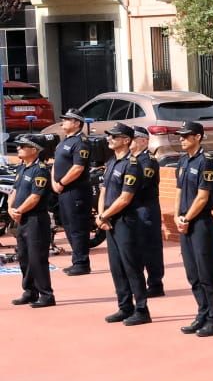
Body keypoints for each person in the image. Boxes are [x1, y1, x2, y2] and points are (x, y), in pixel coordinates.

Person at [97, 123, 153, 327]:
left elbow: (125, 198)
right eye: (110, 136)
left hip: (126, 221)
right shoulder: (112, 162)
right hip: (110, 220)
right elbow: (104, 190)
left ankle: (141, 309)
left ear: (126, 140)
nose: (110, 139)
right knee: (116, 267)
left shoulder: (132, 164)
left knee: (131, 266)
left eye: (114, 136)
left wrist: (105, 216)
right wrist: (101, 215)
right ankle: (124, 306)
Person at [173, 121, 213, 336]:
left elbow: (203, 196)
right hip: (185, 223)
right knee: (192, 274)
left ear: (198, 137)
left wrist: (186, 218)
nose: (181, 139)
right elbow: (178, 191)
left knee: (206, 273)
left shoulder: (206, 162)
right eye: (181, 136)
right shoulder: (183, 161)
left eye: (186, 136)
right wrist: (177, 216)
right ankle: (202, 313)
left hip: (200, 223)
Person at [8, 135, 56, 308]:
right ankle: (30, 291)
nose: (19, 148)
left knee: (37, 258)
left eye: (23, 146)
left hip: (36, 219)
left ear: (34, 150)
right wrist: (10, 208)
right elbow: (14, 190)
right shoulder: (22, 168)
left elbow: (35, 197)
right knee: (23, 257)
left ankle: (46, 294)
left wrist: (19, 210)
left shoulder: (40, 170)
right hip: (22, 219)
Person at [50, 108, 93, 275]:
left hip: (76, 191)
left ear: (76, 123)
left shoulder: (80, 142)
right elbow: (55, 163)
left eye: (67, 119)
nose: (63, 122)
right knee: (67, 226)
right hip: (63, 191)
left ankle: (82, 263)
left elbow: (78, 168)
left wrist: (61, 182)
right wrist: (54, 181)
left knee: (77, 227)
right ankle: (76, 260)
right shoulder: (63, 142)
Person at [129, 126, 165, 297]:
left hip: (145, 208)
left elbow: (140, 185)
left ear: (144, 141)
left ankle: (155, 284)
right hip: (133, 208)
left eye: (134, 138)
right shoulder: (131, 159)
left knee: (150, 247)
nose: (131, 141)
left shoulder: (147, 161)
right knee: (135, 247)